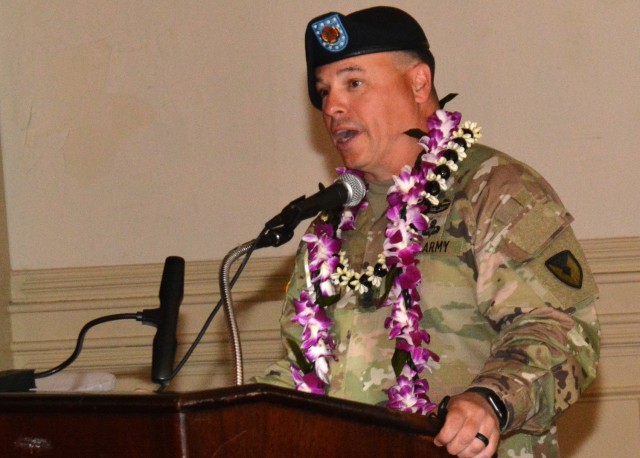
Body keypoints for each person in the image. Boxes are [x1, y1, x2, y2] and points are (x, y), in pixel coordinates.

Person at [255, 6, 600, 457]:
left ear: (418, 83)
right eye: (324, 92)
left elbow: (562, 331)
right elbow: (303, 372)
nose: (333, 106)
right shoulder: (328, 230)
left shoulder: (493, 190)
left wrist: (489, 400)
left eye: (353, 83)